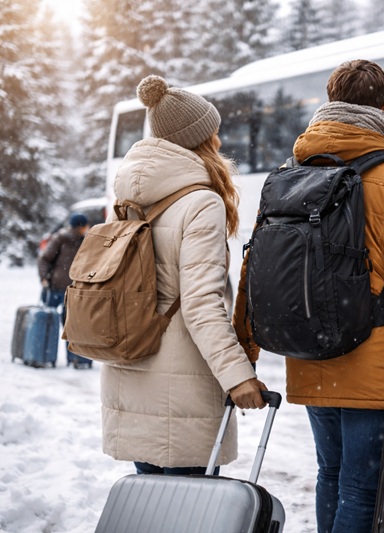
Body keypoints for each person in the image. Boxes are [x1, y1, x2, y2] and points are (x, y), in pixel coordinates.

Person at [233, 59, 384, 533]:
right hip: (375, 360)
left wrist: (245, 355)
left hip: (311, 349)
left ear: (330, 102)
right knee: (362, 488)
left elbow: (254, 272)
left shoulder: (290, 172)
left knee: (331, 475)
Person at [102, 75, 268, 477]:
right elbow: (201, 305)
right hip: (183, 389)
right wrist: (238, 377)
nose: (220, 142)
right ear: (198, 139)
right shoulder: (201, 203)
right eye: (214, 133)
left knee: (154, 503)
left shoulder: (127, 197)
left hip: (132, 368)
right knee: (193, 504)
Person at [37, 212, 92, 368]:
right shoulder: (62, 239)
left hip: (62, 287)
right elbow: (44, 259)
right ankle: (74, 358)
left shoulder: (81, 240)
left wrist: (45, 278)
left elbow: (43, 259)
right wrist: (44, 277)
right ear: (80, 226)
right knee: (72, 324)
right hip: (64, 289)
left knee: (52, 323)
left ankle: (45, 355)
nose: (88, 228)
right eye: (86, 225)